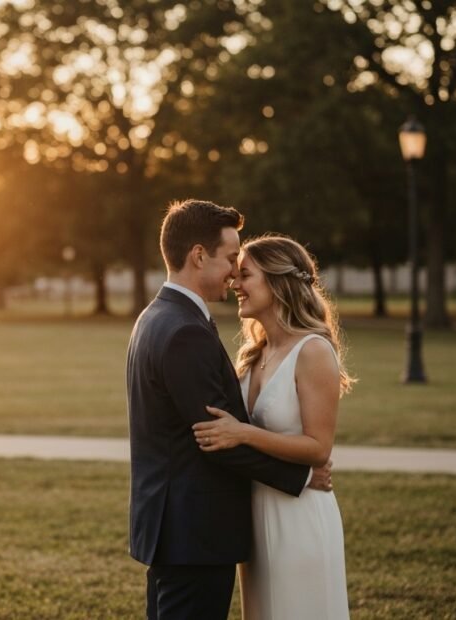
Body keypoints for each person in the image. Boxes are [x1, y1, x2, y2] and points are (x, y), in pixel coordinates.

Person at [126, 200, 332, 620]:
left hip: (177, 528)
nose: (234, 273)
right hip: (194, 532)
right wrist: (301, 475)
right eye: (231, 258)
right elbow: (216, 438)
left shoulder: (155, 317)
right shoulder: (184, 329)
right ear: (199, 256)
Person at [192, 234, 354, 619]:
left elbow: (319, 449)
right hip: (254, 514)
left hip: (299, 514)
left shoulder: (312, 350)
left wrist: (242, 433)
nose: (234, 283)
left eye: (245, 275)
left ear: (278, 281)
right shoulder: (254, 355)